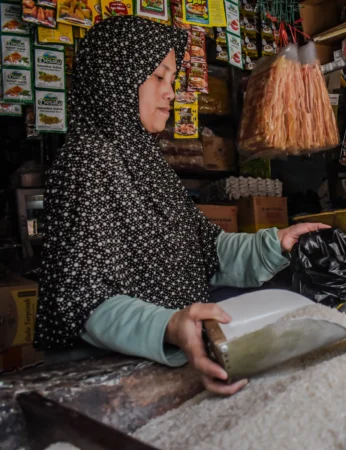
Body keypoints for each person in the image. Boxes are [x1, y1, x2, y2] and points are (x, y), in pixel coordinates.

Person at [34, 16, 328, 396]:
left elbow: (207, 248)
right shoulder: (87, 161)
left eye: (171, 79)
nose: (170, 92)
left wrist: (277, 243)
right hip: (100, 382)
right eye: (159, 76)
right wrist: (170, 325)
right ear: (117, 78)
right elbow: (85, 298)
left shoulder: (146, 162)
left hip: (163, 362)